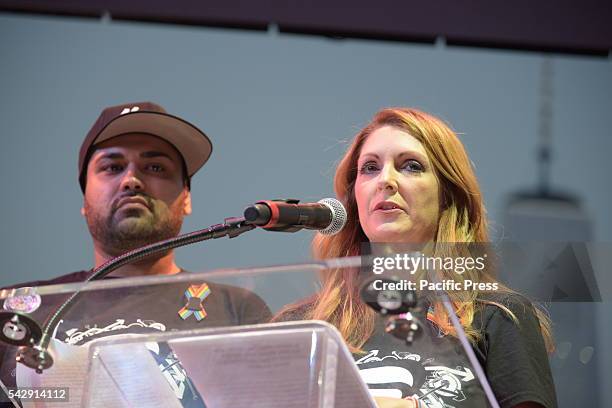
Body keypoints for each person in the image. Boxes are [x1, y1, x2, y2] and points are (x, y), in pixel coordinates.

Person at [276, 108, 557, 408]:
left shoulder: (497, 316)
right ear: (354, 196)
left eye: (410, 166)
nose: (386, 180)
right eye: (369, 168)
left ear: (447, 194)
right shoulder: (306, 328)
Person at [0, 102, 271, 407]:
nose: (131, 180)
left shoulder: (238, 309)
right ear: (84, 200)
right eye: (112, 167)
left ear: (186, 199)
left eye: (156, 167)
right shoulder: (16, 309)